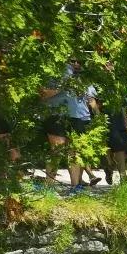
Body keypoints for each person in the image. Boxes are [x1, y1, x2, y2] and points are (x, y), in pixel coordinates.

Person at [40, 60, 97, 192]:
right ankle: (48, 187)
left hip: (77, 116)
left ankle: (75, 187)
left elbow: (90, 99)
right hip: (56, 113)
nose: (76, 63)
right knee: (57, 149)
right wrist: (63, 83)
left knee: (75, 151)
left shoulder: (83, 77)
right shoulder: (52, 70)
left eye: (79, 60)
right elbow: (42, 95)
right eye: (72, 61)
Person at [104, 98, 127, 185]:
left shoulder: (118, 89)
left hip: (120, 123)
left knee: (125, 151)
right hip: (108, 122)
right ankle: (123, 177)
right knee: (119, 150)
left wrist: (126, 125)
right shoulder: (101, 89)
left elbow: (122, 108)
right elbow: (95, 104)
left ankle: (110, 167)